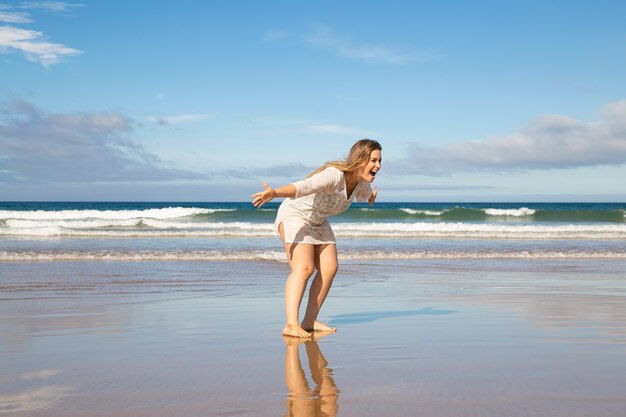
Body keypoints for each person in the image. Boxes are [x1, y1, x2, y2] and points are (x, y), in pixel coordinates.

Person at [252, 139, 382, 338]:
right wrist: (275, 193)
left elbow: (363, 195)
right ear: (361, 159)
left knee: (330, 268)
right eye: (373, 160)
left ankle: (310, 320)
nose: (378, 166)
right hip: (295, 214)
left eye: (379, 161)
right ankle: (291, 324)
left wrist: (371, 199)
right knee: (304, 268)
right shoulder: (334, 175)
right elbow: (303, 187)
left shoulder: (361, 184)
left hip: (319, 220)